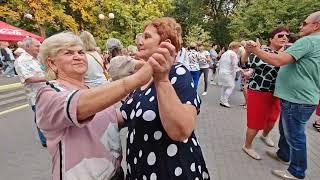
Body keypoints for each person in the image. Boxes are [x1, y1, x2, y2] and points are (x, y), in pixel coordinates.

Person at [35, 32, 154, 179]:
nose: (78, 56)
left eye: (80, 52)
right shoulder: (48, 93)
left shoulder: (89, 90)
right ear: (52, 63)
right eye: (68, 53)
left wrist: (150, 103)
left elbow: (116, 118)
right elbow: (78, 105)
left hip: (115, 173)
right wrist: (139, 78)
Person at [120, 17, 210, 179]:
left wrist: (162, 80)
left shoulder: (178, 73)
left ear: (165, 44)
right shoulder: (143, 78)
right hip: (141, 168)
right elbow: (122, 117)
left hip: (170, 170)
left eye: (146, 37)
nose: (140, 41)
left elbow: (182, 131)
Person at [245, 11, 320, 180]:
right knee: (287, 131)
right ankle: (284, 154)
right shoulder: (312, 43)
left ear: (316, 25)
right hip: (301, 97)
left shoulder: (308, 41)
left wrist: (256, 50)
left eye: (305, 23)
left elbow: (278, 61)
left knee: (295, 135)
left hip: (297, 98)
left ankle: (297, 171)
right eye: (280, 35)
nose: (301, 26)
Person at [241, 27, 290, 160]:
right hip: (259, 91)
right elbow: (245, 64)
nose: (284, 38)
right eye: (280, 35)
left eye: (287, 36)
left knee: (272, 119)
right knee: (256, 121)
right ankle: (247, 146)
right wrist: (248, 51)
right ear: (271, 39)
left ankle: (265, 135)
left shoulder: (286, 54)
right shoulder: (263, 52)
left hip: (278, 92)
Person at [14, 37, 47, 147]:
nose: (40, 47)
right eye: (37, 46)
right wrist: (48, 78)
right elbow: (27, 79)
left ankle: (52, 138)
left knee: (50, 117)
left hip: (48, 92)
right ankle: (45, 141)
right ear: (27, 47)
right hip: (36, 96)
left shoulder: (38, 58)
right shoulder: (21, 61)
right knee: (41, 119)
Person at [218, 41, 242, 108]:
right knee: (231, 86)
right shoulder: (233, 54)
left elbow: (220, 63)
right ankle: (225, 101)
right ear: (236, 47)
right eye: (238, 48)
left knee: (224, 86)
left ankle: (222, 100)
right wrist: (241, 70)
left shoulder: (225, 53)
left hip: (222, 72)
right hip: (228, 72)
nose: (238, 50)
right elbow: (234, 65)